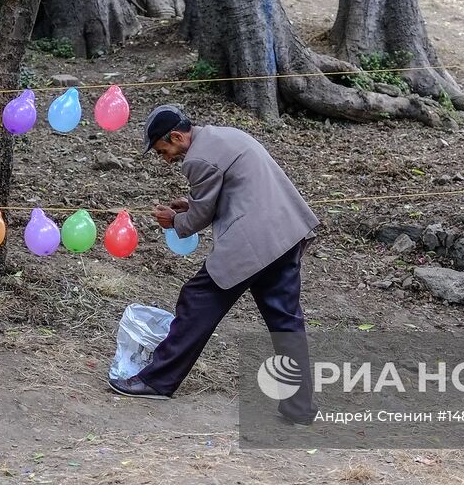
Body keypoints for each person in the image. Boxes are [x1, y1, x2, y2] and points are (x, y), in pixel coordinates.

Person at [108, 104, 318, 424]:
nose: (164, 158)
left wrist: (175, 219)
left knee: (198, 299)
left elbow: (200, 217)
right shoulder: (224, 136)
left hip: (253, 241)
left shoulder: (196, 159)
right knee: (285, 320)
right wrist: (192, 203)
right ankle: (299, 406)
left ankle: (157, 380)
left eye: (163, 150)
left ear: (177, 136)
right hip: (286, 234)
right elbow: (237, 189)